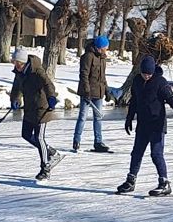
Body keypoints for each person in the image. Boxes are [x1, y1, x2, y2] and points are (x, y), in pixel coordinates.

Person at [117, 55, 173, 196]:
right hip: (143, 124)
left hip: (157, 124)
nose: (147, 76)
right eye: (144, 73)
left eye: (149, 74)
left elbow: (172, 100)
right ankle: (131, 180)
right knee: (136, 153)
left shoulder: (160, 82)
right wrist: (129, 118)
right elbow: (134, 101)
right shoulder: (137, 81)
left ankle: (164, 183)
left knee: (156, 154)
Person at [10, 47, 63, 180]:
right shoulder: (19, 72)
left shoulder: (37, 71)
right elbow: (16, 88)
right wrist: (15, 99)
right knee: (26, 135)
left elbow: (48, 84)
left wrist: (51, 97)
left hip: (42, 107)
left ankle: (45, 169)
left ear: (24, 62)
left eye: (18, 63)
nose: (16, 66)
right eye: (14, 63)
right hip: (29, 107)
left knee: (39, 138)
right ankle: (51, 152)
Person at [74, 35, 111, 152]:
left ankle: (98, 142)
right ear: (100, 47)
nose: (107, 49)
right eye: (106, 47)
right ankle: (77, 141)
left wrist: (107, 91)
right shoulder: (88, 56)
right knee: (83, 116)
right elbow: (84, 75)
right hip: (88, 93)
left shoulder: (102, 58)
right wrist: (86, 91)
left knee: (98, 118)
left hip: (99, 92)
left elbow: (103, 77)